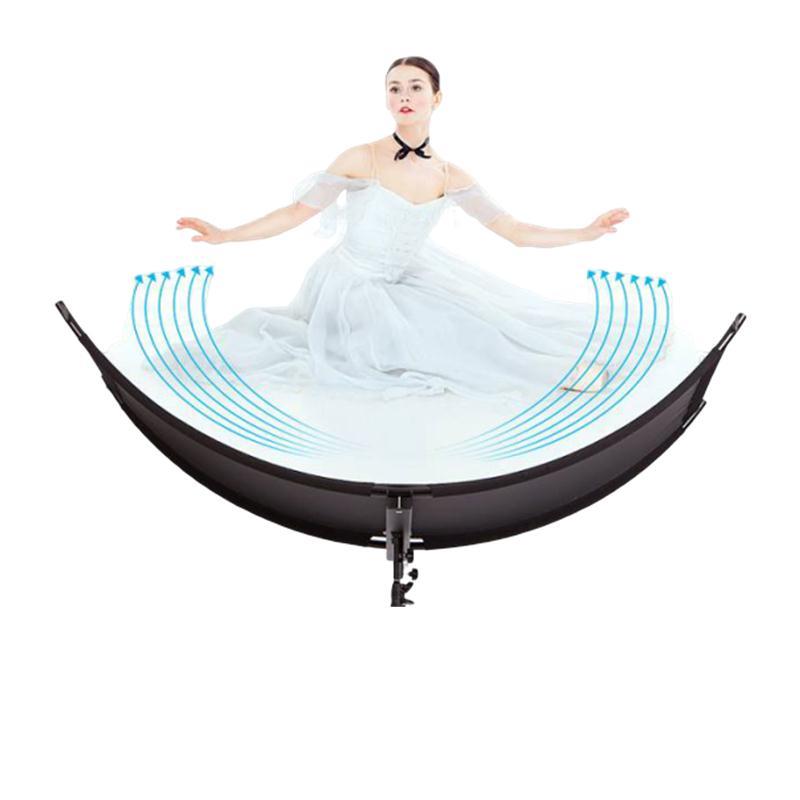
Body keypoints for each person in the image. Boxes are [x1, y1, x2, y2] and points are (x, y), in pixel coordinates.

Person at [174, 56, 645, 404]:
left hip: (408, 276)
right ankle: (544, 374)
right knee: (418, 348)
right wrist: (226, 234)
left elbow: (514, 230)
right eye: (394, 88)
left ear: (436, 98)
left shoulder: (450, 174)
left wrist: (584, 232)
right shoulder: (362, 157)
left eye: (416, 87)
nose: (404, 96)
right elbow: (296, 212)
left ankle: (553, 366)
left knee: (481, 322)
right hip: (350, 285)